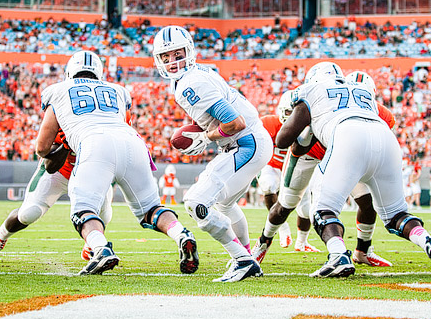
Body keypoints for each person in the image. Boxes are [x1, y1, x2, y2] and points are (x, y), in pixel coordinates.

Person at [276, 62, 431, 278]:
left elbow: (282, 140)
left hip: (348, 134)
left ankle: (338, 255)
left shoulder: (311, 89)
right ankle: (426, 240)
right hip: (385, 138)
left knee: (323, 210)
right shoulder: (361, 90)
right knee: (396, 215)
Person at [35, 50, 198, 275]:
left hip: (94, 144)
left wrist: (62, 148)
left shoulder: (58, 90)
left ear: (69, 71)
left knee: (83, 210)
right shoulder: (117, 90)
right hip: (132, 142)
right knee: (151, 209)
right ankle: (181, 234)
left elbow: (42, 148)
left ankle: (100, 249)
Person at [153, 25, 273, 283]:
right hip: (251, 141)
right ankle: (246, 256)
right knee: (225, 205)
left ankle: (243, 260)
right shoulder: (199, 73)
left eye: (178, 54)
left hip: (246, 143)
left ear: (189, 51)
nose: (173, 62)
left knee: (197, 203)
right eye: (166, 57)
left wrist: (206, 137)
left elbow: (235, 123)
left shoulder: (190, 83)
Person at [252, 68, 393, 268]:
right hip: (307, 154)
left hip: (340, 155)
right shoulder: (314, 97)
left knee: (366, 200)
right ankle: (263, 242)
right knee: (286, 205)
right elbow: (295, 142)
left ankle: (363, 250)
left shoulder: (371, 108)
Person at [0, 129, 114, 263]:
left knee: (104, 214)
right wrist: (66, 145)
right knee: (29, 212)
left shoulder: (114, 117)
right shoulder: (64, 115)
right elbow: (50, 165)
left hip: (89, 175)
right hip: (59, 172)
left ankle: (91, 245)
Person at [256, 89, 319, 253]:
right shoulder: (268, 123)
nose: (292, 116)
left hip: (295, 168)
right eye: (290, 112)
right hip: (272, 166)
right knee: (268, 185)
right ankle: (282, 229)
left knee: (306, 209)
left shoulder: (307, 127)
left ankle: (302, 242)